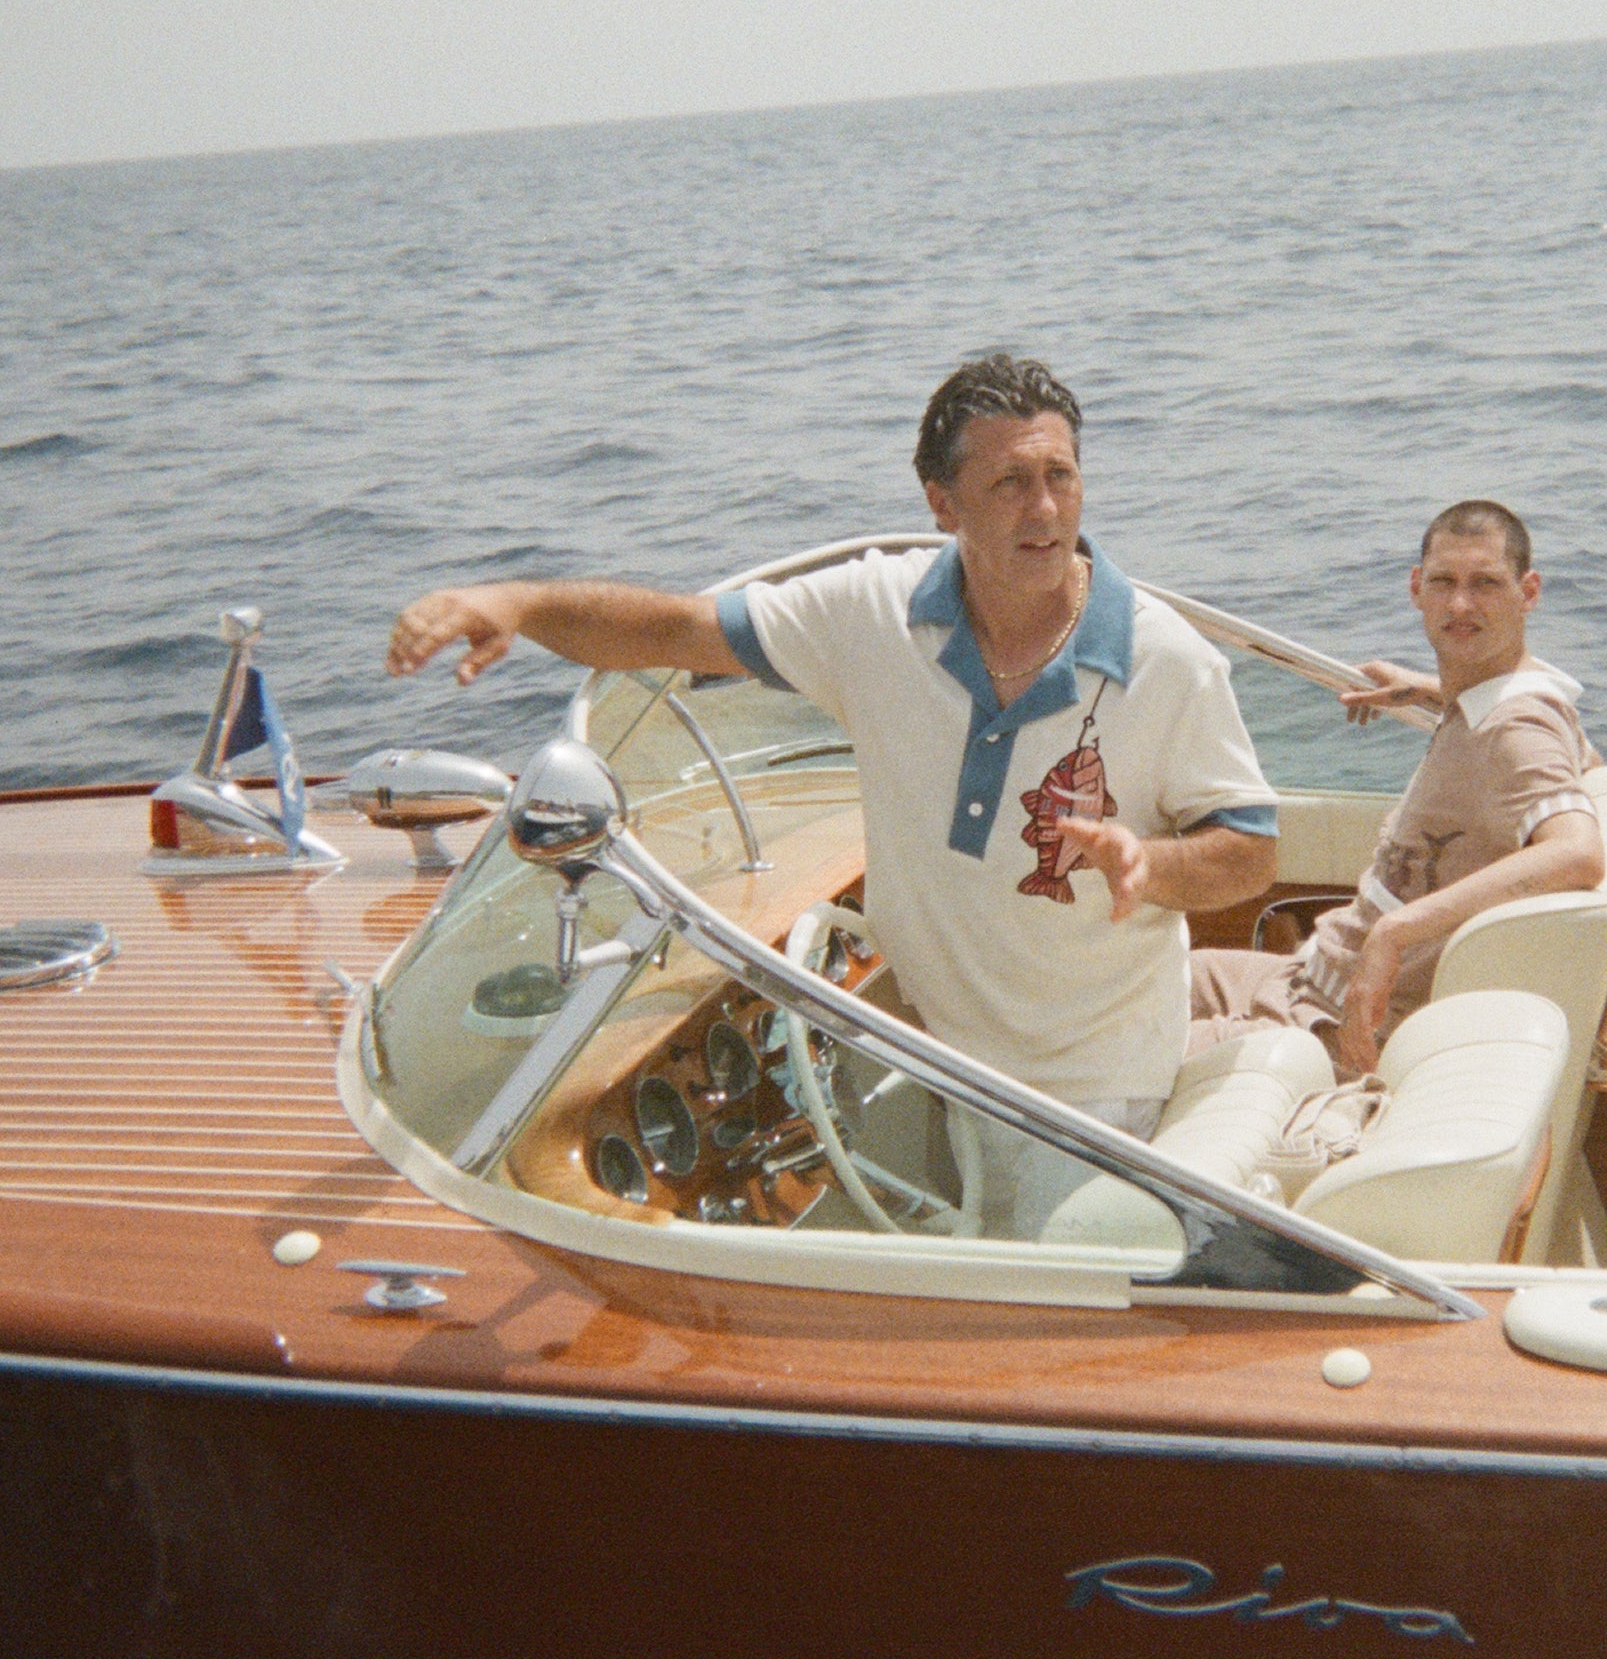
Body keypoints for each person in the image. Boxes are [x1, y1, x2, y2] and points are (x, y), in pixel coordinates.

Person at [385, 355, 1280, 1237]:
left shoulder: (1167, 662)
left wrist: (1150, 862)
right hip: (934, 1049)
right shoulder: (871, 611)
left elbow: (1249, 849)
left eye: (1060, 476)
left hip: (1093, 1087)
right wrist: (517, 599)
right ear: (942, 502)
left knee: (1035, 1316)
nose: (1044, 508)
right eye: (1008, 481)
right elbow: (677, 630)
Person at [1189, 501, 1606, 1081]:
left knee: (1101, 1039)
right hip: (1309, 976)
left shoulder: (1514, 728)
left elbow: (1578, 852)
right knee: (1135, 979)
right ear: (1416, 588)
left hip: (1333, 1024)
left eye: (1486, 584)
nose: (1460, 604)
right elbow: (1584, 763)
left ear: (1528, 592)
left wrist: (1396, 931)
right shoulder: (1508, 700)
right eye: (1443, 583)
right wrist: (1438, 692)